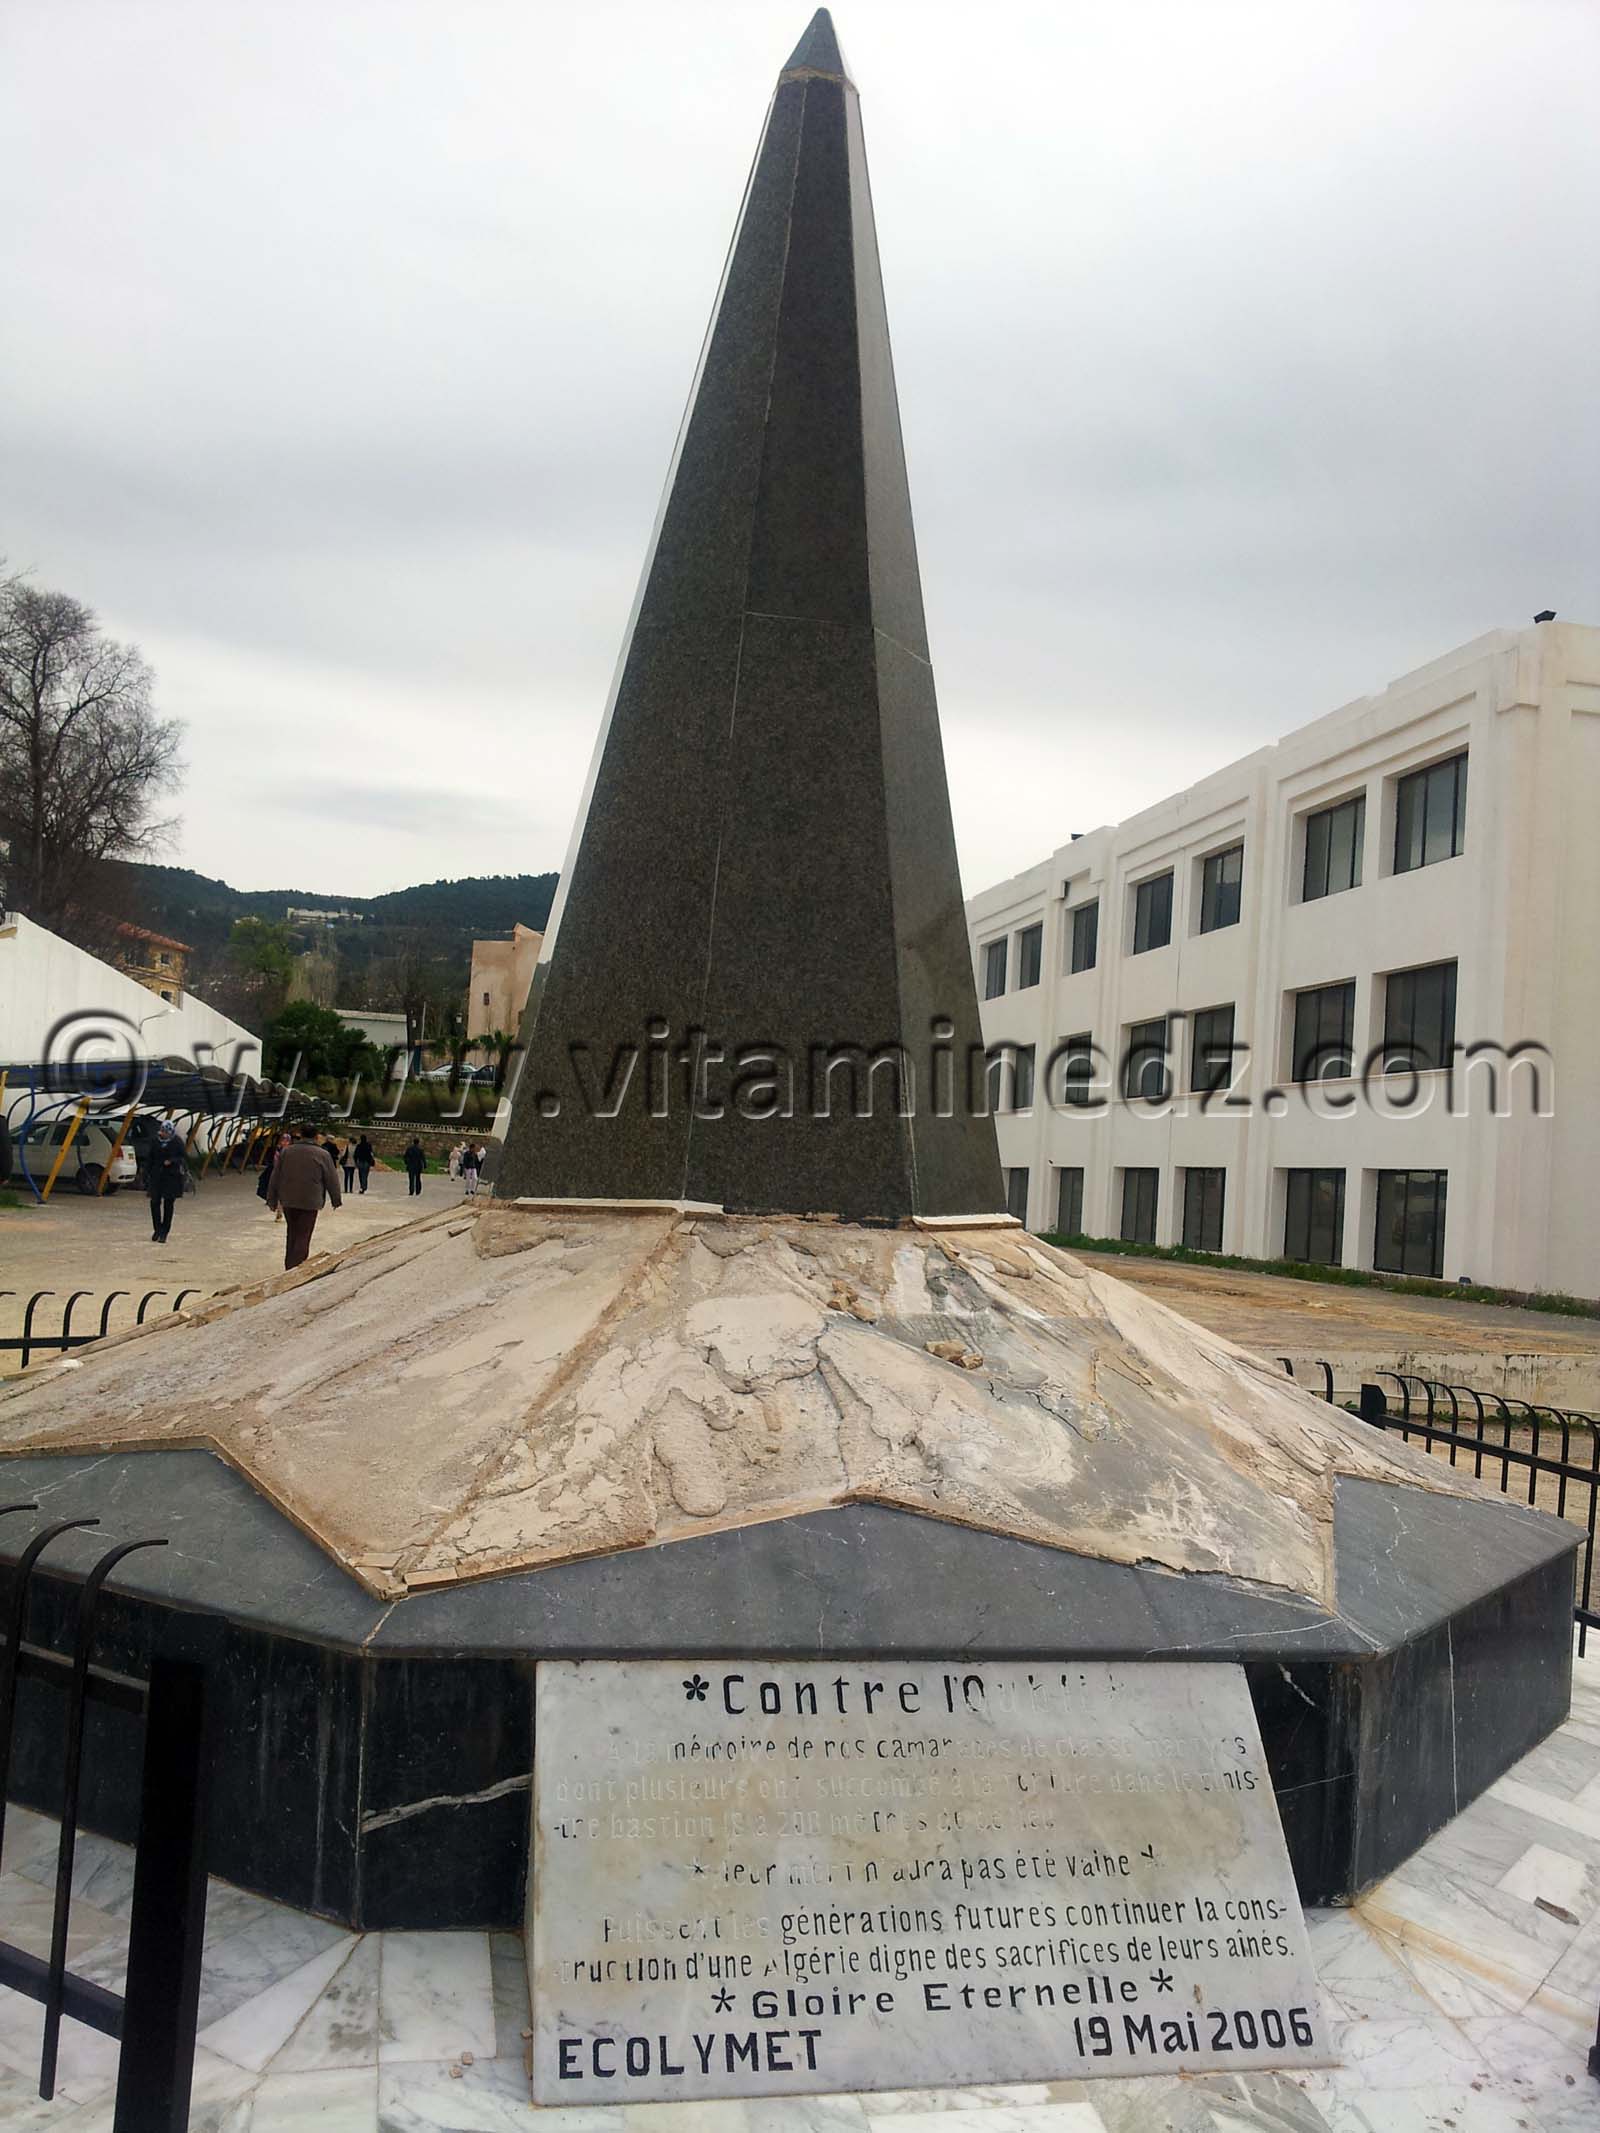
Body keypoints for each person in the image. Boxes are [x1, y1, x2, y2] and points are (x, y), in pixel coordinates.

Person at [266, 1121, 342, 1269]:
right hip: (310, 1201)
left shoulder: (287, 1152)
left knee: (292, 1233)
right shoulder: (323, 1154)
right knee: (303, 1235)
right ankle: (297, 1267)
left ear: (300, 1135)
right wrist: (336, 1199)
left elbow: (275, 1176)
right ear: (316, 1136)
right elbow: (331, 1178)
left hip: (288, 1198)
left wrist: (272, 1199)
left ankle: (289, 1265)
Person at [146, 1121, 188, 1245]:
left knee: (168, 1204)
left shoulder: (177, 1142)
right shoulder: (155, 1141)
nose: (163, 1134)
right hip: (156, 1176)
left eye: (165, 1132)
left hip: (172, 1178)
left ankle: (165, 1231)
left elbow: (183, 1157)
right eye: (162, 1131)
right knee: (154, 1203)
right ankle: (157, 1229)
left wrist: (172, 1161)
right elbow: (150, 1157)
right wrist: (147, 1172)